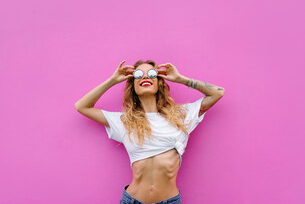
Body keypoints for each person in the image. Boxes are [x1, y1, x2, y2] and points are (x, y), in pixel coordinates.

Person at [75, 60, 225, 204]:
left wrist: (180, 79)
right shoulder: (125, 121)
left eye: (152, 73)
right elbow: (82, 106)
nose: (145, 76)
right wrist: (113, 80)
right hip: (133, 200)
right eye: (138, 74)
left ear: (159, 83)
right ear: (133, 86)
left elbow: (217, 93)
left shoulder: (181, 116)